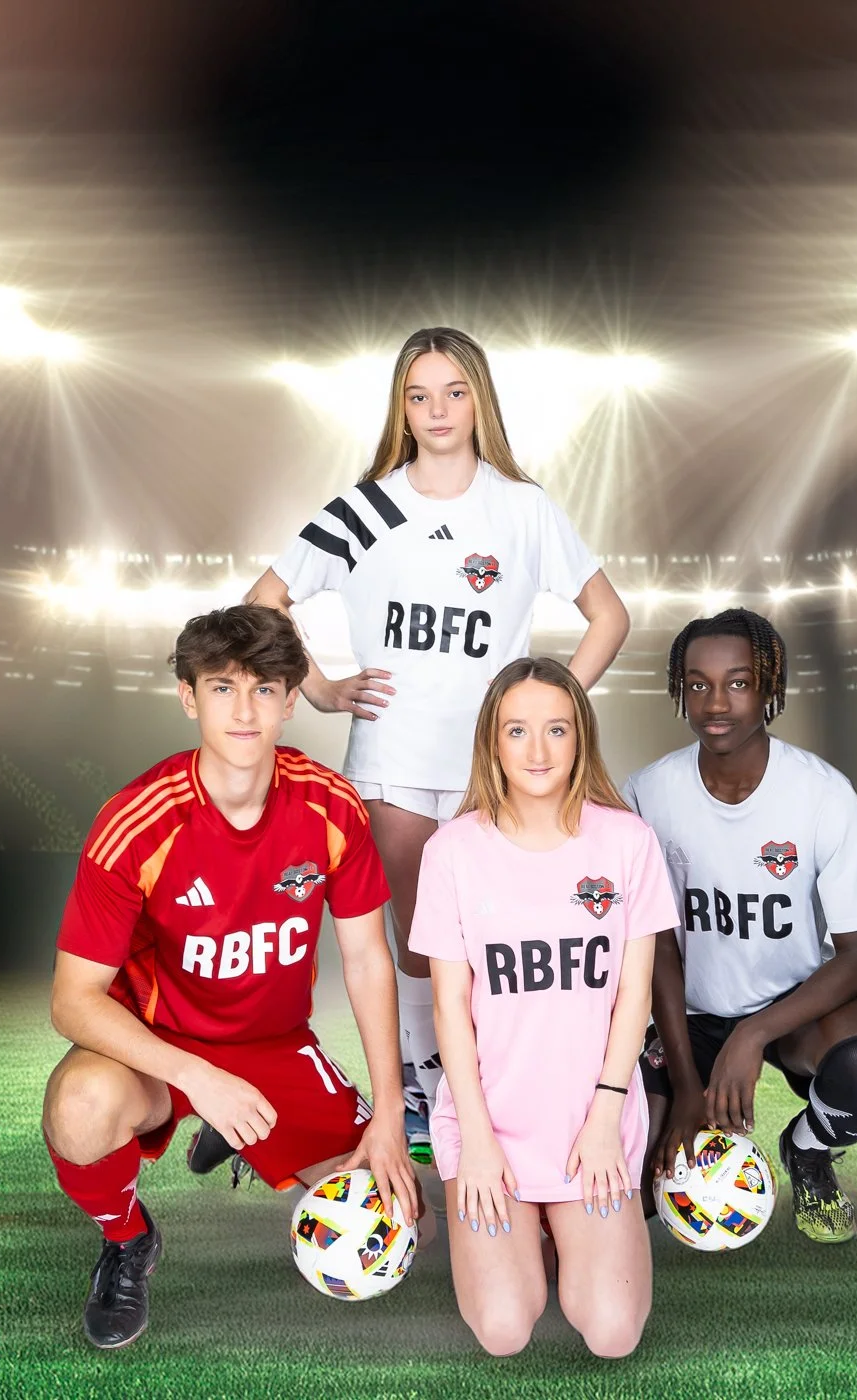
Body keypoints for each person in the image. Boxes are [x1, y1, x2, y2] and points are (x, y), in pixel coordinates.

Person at [246, 326, 628, 1156]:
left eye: (453, 391)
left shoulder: (521, 507)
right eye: (418, 396)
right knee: (419, 941)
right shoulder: (367, 505)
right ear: (401, 409)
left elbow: (609, 616)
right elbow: (265, 603)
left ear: (479, 398)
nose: (437, 410)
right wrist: (321, 688)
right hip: (391, 762)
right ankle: (428, 1096)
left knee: (508, 938)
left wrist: (543, 716)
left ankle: (520, 1089)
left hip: (492, 772)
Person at [42, 604, 416, 1349]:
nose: (244, 710)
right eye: (221, 688)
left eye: (264, 688)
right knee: (81, 1107)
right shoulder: (138, 821)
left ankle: (241, 1129)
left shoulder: (330, 806)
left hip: (274, 1044)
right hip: (154, 1046)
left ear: (287, 696)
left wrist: (390, 1113)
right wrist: (198, 1077)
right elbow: (72, 1000)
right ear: (189, 697)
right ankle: (127, 1240)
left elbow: (370, 959)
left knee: (404, 1225)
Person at [409, 657, 677, 1357]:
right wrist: (477, 1144)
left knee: (613, 1332)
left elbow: (633, 996)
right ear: (491, 743)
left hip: (591, 1119)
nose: (536, 751)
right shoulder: (451, 852)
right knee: (502, 1329)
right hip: (489, 1119)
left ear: (579, 738)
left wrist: (604, 1119)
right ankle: (524, 1235)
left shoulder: (626, 842)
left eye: (555, 729)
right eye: (517, 730)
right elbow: (448, 1009)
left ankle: (562, 1234)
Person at [624, 607, 857, 1244]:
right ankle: (665, 1113)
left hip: (792, 1010)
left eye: (738, 681)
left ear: (770, 687)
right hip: (689, 1015)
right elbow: (659, 949)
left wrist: (752, 1035)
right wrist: (689, 1087)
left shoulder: (822, 794)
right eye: (697, 684)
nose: (715, 702)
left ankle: (807, 1149)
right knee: (635, 1183)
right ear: (679, 690)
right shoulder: (648, 792)